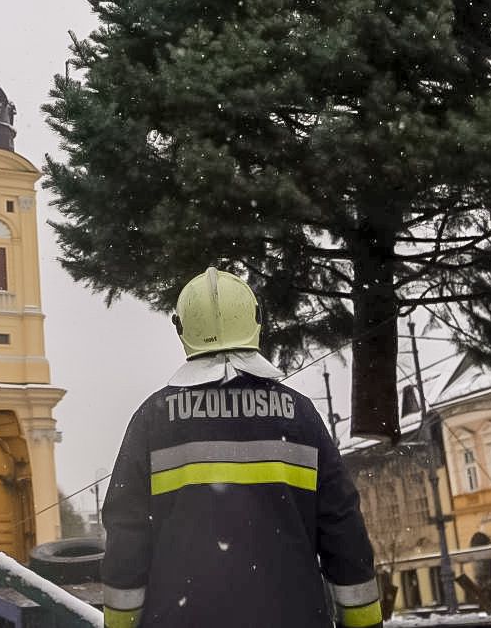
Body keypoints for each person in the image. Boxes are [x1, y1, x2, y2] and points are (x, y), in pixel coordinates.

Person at [99, 268, 383, 628]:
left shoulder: (152, 421)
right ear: (256, 321)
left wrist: (121, 623)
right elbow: (343, 529)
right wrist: (363, 622)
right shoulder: (299, 416)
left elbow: (127, 538)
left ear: (182, 328)